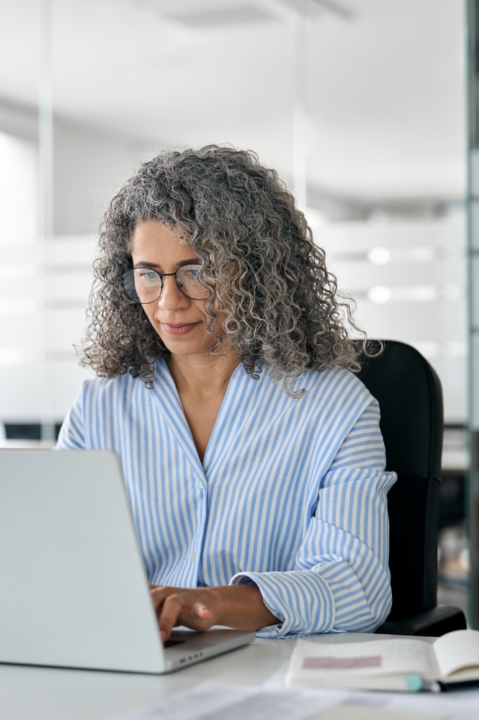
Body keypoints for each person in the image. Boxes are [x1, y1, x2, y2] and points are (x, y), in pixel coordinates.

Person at [55, 145, 396, 641]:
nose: (169, 301)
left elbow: (357, 587)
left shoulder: (337, 408)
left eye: (198, 271)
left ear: (255, 271)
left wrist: (208, 604)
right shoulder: (99, 408)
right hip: (132, 667)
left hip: (269, 678)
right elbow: (54, 558)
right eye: (149, 274)